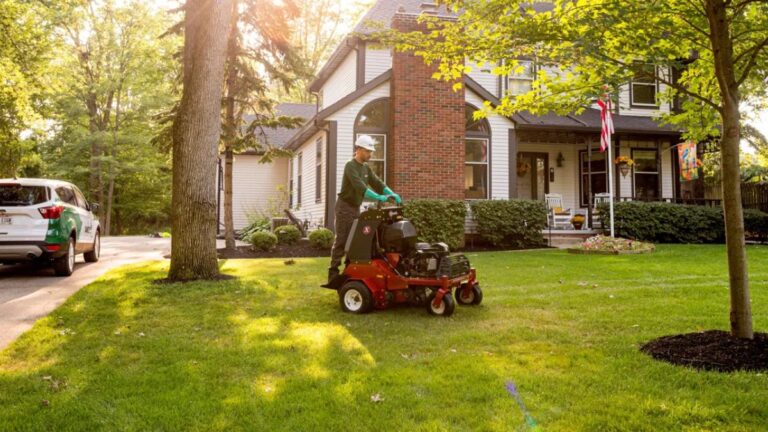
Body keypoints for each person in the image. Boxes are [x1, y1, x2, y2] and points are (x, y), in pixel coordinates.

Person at [328, 135, 401, 283]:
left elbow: (377, 183)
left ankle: (349, 271)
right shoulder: (350, 166)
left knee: (355, 240)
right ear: (359, 149)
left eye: (371, 151)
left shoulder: (366, 168)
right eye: (368, 151)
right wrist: (378, 198)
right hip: (344, 207)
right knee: (342, 240)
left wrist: (391, 193)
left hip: (355, 208)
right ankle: (333, 274)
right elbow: (360, 187)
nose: (370, 154)